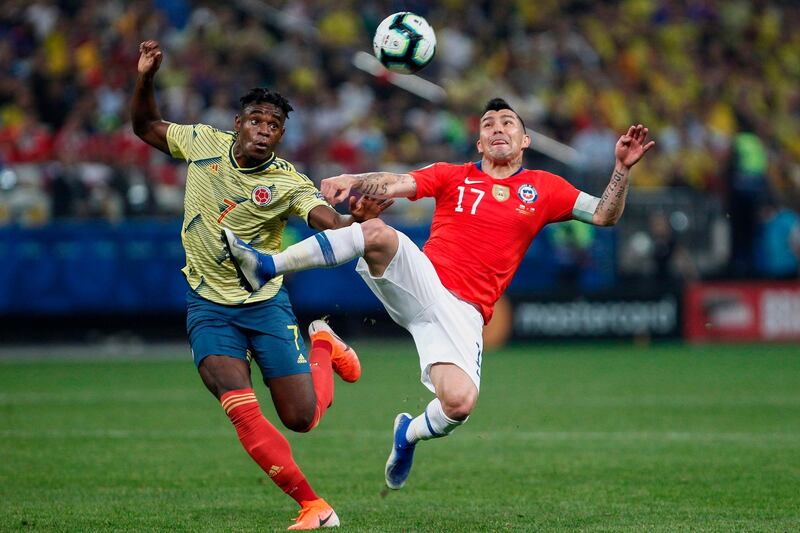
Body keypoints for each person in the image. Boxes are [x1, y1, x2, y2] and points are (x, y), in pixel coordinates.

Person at [223, 98, 654, 490]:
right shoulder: (453, 176)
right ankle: (267, 265)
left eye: (508, 123)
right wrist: (353, 177)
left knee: (460, 403)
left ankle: (406, 433)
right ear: (480, 141)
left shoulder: (544, 187)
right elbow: (394, 183)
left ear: (525, 140)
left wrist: (622, 169)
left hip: (463, 314)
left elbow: (603, 214)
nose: (498, 128)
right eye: (489, 124)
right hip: (423, 279)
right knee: (374, 231)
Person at [131, 40, 391, 530]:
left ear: (280, 135)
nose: (265, 130)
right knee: (241, 408)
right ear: (238, 123)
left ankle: (322, 344)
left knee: (302, 419)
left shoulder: (287, 182)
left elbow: (324, 219)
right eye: (257, 120)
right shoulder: (203, 144)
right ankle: (315, 506)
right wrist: (146, 77)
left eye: (274, 126)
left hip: (264, 305)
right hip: (208, 306)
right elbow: (145, 126)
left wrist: (352, 222)